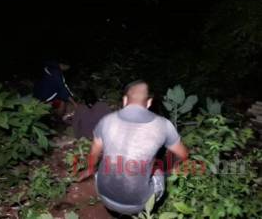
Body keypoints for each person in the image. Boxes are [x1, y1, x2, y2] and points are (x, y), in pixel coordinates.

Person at [78, 80, 188, 215]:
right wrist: (164, 168)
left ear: (125, 100)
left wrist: (89, 169)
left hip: (103, 195)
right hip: (138, 204)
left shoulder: (106, 120)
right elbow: (182, 155)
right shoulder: (164, 125)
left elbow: (94, 155)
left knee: (105, 162)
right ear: (148, 103)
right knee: (159, 170)